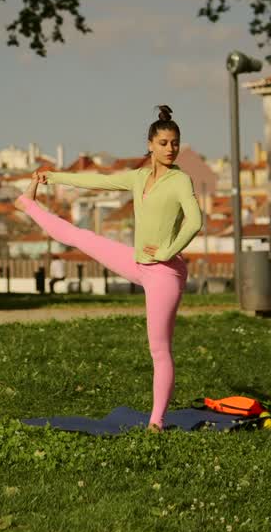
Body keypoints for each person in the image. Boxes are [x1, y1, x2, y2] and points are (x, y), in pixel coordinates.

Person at [15, 104, 202, 431]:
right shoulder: (139, 177)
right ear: (150, 145)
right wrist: (54, 177)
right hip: (138, 262)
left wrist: (167, 251)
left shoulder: (180, 181)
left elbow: (195, 221)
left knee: (159, 349)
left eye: (174, 143)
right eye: (163, 143)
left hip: (165, 273)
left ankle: (156, 422)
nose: (170, 149)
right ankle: (28, 204)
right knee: (82, 237)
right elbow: (96, 181)